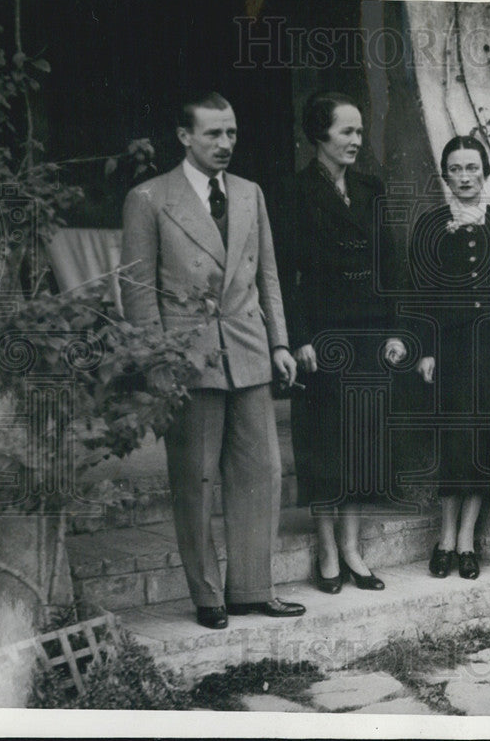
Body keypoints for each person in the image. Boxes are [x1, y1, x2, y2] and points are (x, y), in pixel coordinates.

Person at [119, 91, 304, 630]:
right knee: (195, 480)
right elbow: (137, 288)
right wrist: (159, 361)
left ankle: (250, 589)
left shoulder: (250, 193)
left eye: (232, 133)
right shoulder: (150, 198)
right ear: (184, 136)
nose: (225, 144)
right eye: (213, 134)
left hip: (247, 351)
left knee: (263, 472)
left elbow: (267, 274)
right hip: (186, 358)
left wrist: (280, 343)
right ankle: (207, 596)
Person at [277, 91, 406, 594]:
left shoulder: (372, 191)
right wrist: (299, 337)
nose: (356, 140)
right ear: (320, 135)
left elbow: (390, 266)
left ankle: (353, 547)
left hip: (369, 334)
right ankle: (328, 549)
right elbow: (286, 273)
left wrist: (397, 330)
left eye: (359, 131)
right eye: (346, 131)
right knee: (324, 444)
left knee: (360, 442)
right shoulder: (293, 191)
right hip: (322, 339)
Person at [407, 136, 490, 581]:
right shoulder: (430, 226)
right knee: (454, 441)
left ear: (485, 172)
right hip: (450, 352)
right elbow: (419, 295)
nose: (465, 177)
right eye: (456, 169)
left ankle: (466, 541)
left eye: (472, 168)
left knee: (483, 444)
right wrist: (425, 349)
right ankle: (445, 537)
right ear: (445, 175)